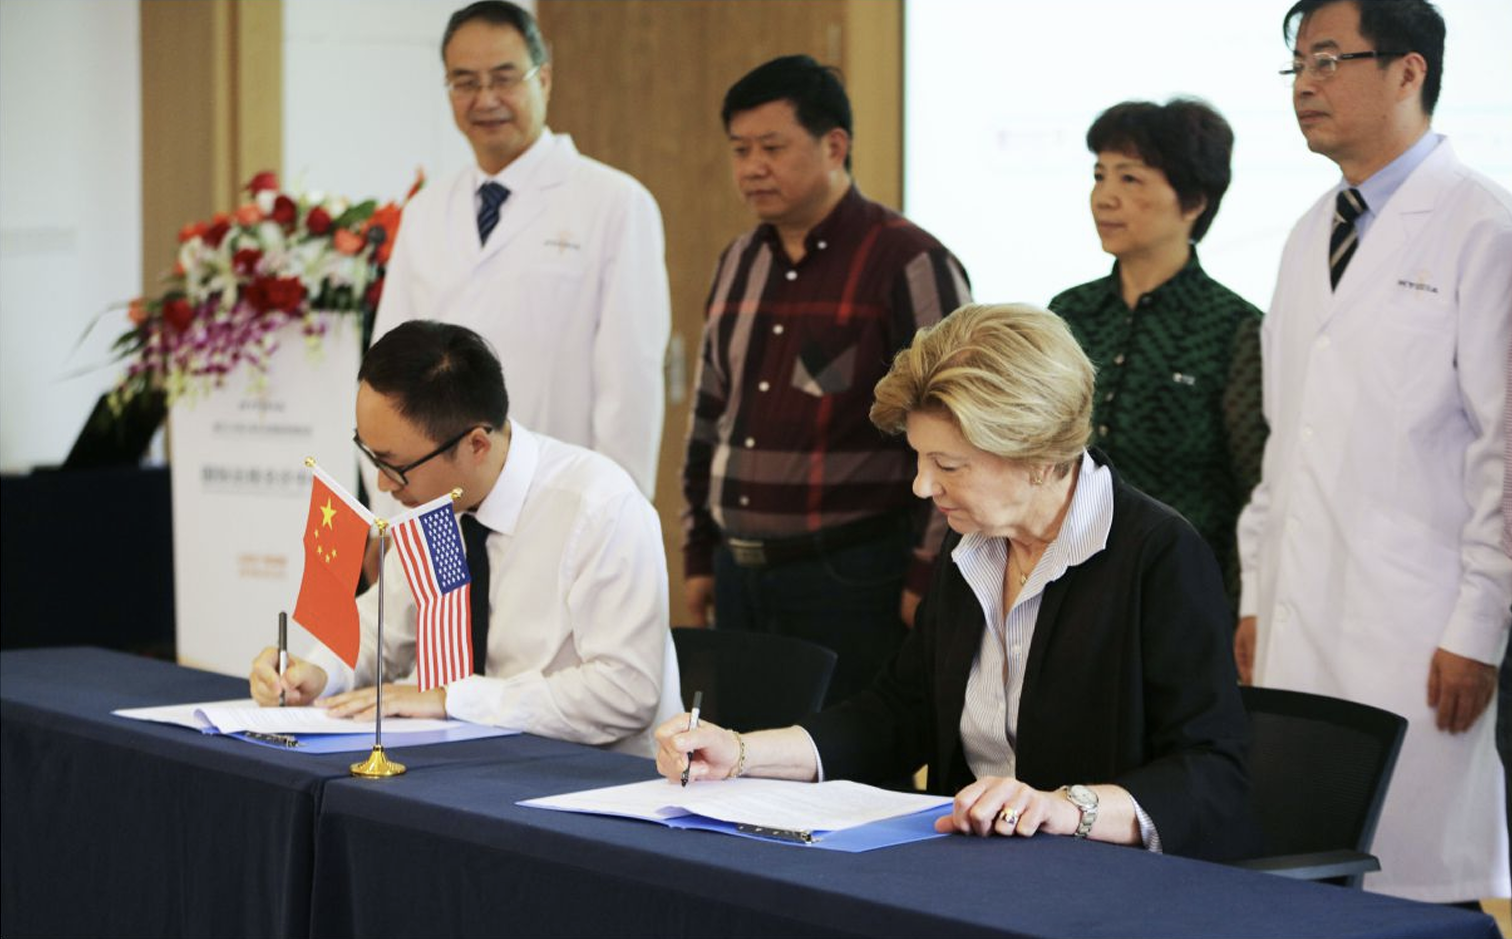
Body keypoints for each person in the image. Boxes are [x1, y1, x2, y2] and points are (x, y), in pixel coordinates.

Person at [661, 303, 1258, 862]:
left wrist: (1063, 808)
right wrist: (740, 753)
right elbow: (900, 713)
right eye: (919, 459)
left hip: (1100, 879)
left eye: (948, 465)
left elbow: (1211, 771)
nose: (923, 486)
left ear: (1039, 456)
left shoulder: (1159, 555)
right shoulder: (973, 542)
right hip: (969, 867)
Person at [1236, 0, 1511, 902]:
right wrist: (1253, 594)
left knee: (1417, 889)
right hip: (1298, 613)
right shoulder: (1310, 229)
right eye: (1298, 66)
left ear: (1408, 71)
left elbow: (1504, 453)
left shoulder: (1482, 228)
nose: (1305, 86)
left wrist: (1479, 627)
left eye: (1327, 60)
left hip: (1422, 626)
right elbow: (1285, 443)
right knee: (1305, 877)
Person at [681, 55, 971, 704]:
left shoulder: (909, 260)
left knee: (840, 770)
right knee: (739, 765)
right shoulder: (738, 260)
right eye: (740, 149)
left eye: (772, 147)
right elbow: (709, 413)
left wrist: (928, 572)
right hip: (739, 572)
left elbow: (957, 431)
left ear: (834, 145)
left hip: (853, 572)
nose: (752, 167)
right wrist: (700, 551)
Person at [250, 321, 680, 756]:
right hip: (460, 764)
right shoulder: (434, 503)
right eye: (371, 455)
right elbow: (384, 629)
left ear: (476, 444)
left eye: (394, 465)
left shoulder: (599, 507)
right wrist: (318, 671)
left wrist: (452, 700)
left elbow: (625, 692)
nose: (382, 485)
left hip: (590, 780)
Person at [371, 1, 670, 498]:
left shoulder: (615, 203)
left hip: (559, 501)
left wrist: (616, 510)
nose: (485, 99)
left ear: (544, 79)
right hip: (439, 504)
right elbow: (388, 368)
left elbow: (630, 389)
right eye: (464, 82)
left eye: (504, 78)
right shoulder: (425, 211)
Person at [1049, 98, 1265, 611]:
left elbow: (1254, 490)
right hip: (1069, 583)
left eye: (1131, 179)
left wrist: (1245, 608)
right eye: (1100, 176)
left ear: (1193, 201)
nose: (1104, 197)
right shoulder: (1069, 311)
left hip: (1182, 593)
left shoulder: (1235, 326)